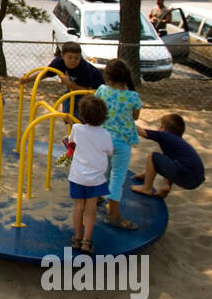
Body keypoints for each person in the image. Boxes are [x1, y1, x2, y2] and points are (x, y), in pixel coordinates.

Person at [94, 59, 142, 229]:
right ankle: (113, 215)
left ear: (107, 76)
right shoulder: (132, 96)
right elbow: (135, 117)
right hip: (121, 142)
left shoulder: (102, 90)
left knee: (104, 170)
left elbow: (96, 108)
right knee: (117, 177)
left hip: (103, 139)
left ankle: (99, 195)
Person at [65, 95, 113, 256]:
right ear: (104, 116)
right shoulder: (105, 134)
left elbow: (71, 142)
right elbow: (110, 151)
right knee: (91, 211)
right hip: (96, 179)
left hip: (78, 176)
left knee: (78, 206)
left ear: (82, 114)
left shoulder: (77, 129)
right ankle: (87, 241)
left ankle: (77, 237)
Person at [131, 113, 205, 199]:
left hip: (187, 174)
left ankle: (147, 188)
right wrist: (144, 174)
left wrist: (126, 121)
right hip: (196, 180)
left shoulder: (165, 135)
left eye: (160, 126)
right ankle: (166, 186)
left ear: (164, 128)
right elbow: (161, 164)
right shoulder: (179, 143)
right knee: (169, 160)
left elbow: (142, 132)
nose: (158, 129)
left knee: (152, 156)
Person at [22, 41, 103, 116]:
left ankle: (78, 123)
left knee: (81, 111)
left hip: (95, 91)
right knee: (67, 105)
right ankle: (70, 121)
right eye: (70, 57)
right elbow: (46, 73)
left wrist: (70, 84)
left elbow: (88, 92)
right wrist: (28, 79)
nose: (73, 61)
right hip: (75, 88)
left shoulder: (85, 69)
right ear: (63, 56)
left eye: (77, 58)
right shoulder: (58, 62)